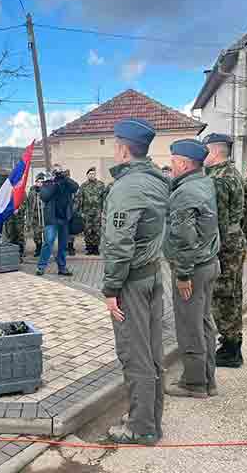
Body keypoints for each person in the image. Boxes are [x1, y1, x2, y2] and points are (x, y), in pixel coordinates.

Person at [102, 119, 169, 446]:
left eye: (115, 145)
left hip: (131, 280)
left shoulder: (127, 186)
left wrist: (111, 288)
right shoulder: (157, 180)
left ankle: (141, 427)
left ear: (124, 149)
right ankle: (151, 418)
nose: (114, 150)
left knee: (135, 354)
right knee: (153, 351)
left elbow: (119, 243)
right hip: (153, 274)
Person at [164, 139, 220, 399]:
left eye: (174, 161)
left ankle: (194, 383)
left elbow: (185, 238)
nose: (171, 165)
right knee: (205, 322)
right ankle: (208, 379)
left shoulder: (184, 193)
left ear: (185, 164)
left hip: (193, 269)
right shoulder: (204, 182)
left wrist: (183, 273)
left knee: (189, 325)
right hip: (208, 263)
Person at [203, 133, 246, 368]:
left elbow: (216, 220)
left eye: (205, 151)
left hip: (224, 245)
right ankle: (232, 343)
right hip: (234, 240)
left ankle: (231, 350)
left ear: (215, 151)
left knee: (223, 296)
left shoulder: (219, 178)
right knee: (233, 293)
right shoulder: (233, 173)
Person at [35, 164, 79, 276]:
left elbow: (76, 187)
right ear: (52, 173)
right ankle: (41, 267)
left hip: (64, 218)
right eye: (56, 171)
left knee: (63, 245)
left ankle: (62, 268)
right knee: (48, 242)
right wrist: (54, 183)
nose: (58, 173)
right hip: (52, 219)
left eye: (59, 171)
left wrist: (64, 178)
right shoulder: (48, 183)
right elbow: (44, 196)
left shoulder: (66, 183)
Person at [74, 167, 107, 255]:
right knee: (87, 230)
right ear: (87, 175)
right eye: (90, 174)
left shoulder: (101, 185)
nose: (92, 175)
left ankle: (96, 248)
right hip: (86, 212)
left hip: (97, 212)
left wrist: (105, 210)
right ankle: (89, 248)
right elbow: (79, 199)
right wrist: (78, 211)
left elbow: (105, 199)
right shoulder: (83, 186)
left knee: (96, 230)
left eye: (93, 174)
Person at [24, 173, 46, 257]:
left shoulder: (46, 191)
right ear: (35, 182)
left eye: (41, 182)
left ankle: (46, 249)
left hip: (44, 216)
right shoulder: (32, 192)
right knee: (37, 234)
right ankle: (38, 248)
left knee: (46, 234)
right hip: (35, 216)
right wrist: (28, 217)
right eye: (38, 182)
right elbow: (28, 205)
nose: (40, 183)